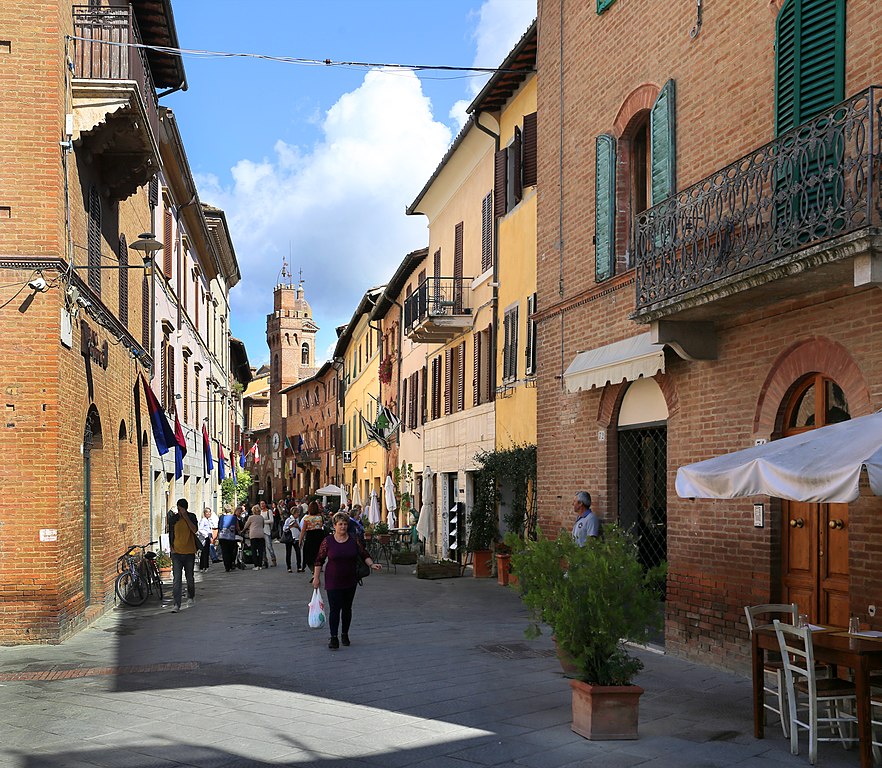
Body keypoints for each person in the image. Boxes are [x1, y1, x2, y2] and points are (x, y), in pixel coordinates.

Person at [312, 511, 380, 649]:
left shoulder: (353, 539)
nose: (342, 527)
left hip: (350, 579)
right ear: (334, 526)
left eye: (345, 524)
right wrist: (316, 578)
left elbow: (364, 553)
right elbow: (319, 560)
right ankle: (333, 637)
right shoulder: (328, 541)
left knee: (347, 608)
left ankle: (344, 634)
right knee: (335, 609)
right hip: (333, 579)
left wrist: (371, 564)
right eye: (340, 524)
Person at [167, 498, 199, 612]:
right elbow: (171, 533)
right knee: (177, 579)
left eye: (182, 509)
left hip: (189, 552)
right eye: (179, 509)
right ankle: (176, 604)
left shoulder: (192, 517)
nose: (180, 511)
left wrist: (186, 517)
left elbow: (194, 530)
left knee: (189, 577)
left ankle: (191, 597)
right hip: (177, 553)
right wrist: (171, 547)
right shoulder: (173, 519)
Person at [300, 501, 325, 574]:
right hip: (319, 536)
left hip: (310, 537)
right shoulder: (320, 517)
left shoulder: (307, 518)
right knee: (317, 554)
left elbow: (303, 530)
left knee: (308, 555)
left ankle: (313, 571)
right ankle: (316, 570)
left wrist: (300, 540)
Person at [217, 504, 241, 571]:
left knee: (224, 552)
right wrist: (239, 532)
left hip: (222, 536)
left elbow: (219, 525)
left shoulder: (221, 517)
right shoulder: (234, 517)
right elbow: (237, 527)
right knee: (230, 551)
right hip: (231, 537)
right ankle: (230, 565)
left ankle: (227, 566)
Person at [243, 504, 266, 569]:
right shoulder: (261, 517)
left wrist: (243, 530)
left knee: (254, 550)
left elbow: (246, 525)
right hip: (261, 534)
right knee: (260, 550)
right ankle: (260, 565)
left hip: (253, 535)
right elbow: (263, 525)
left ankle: (256, 565)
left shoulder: (251, 517)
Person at [282, 506, 302, 572]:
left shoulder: (297, 519)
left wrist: (298, 527)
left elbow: (300, 528)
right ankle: (289, 567)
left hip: (296, 538)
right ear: (294, 513)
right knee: (288, 552)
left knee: (298, 552)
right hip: (290, 537)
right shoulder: (289, 519)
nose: (298, 514)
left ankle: (299, 566)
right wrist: (291, 526)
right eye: (297, 513)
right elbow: (284, 529)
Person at [259, 500, 277, 567]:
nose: (262, 505)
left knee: (269, 546)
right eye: (261, 504)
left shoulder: (268, 511)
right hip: (260, 530)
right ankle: (265, 560)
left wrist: (263, 521)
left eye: (263, 503)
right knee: (262, 547)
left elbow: (271, 520)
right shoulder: (260, 512)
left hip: (267, 530)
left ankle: (273, 559)